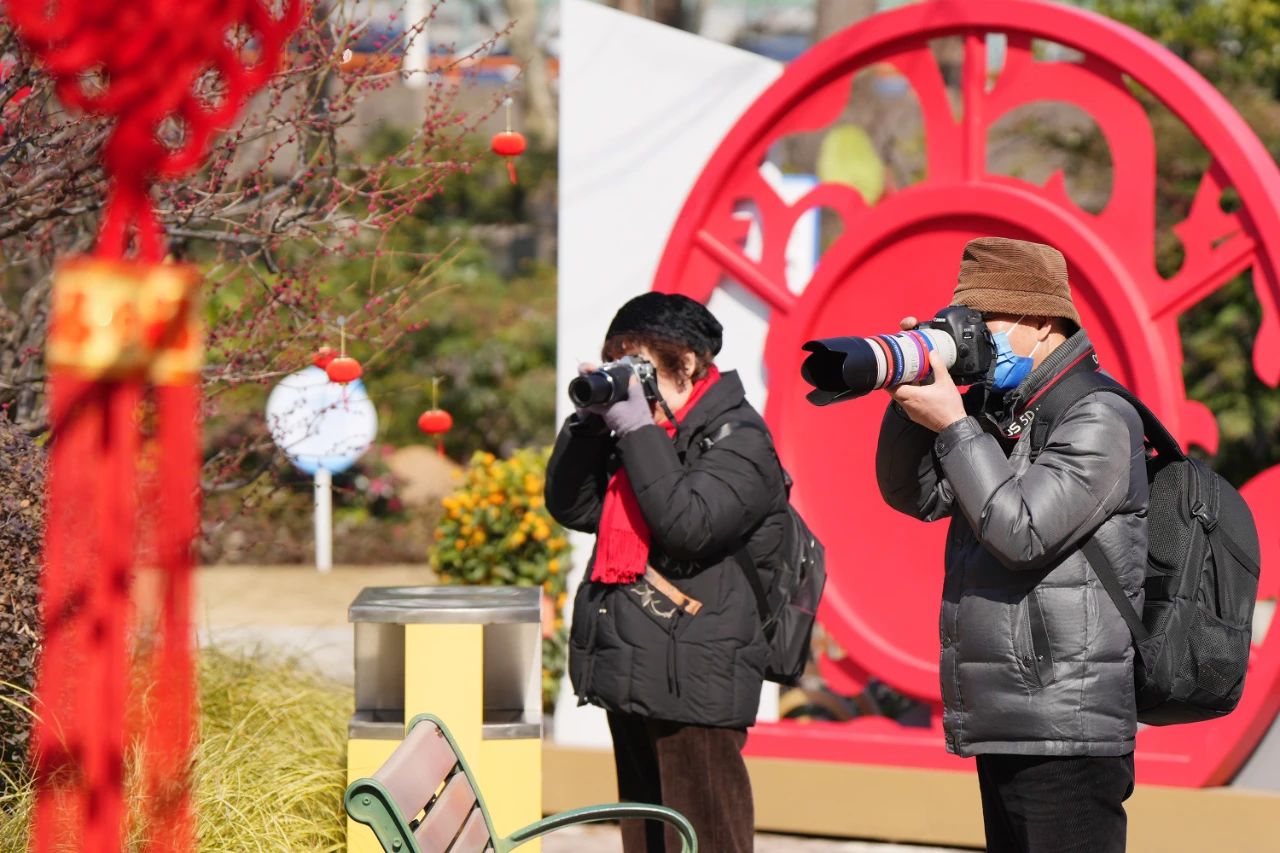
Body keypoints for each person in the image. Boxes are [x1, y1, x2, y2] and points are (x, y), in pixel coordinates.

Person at [875, 237, 1149, 853]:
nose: (974, 337)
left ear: (1042, 321)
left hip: (1067, 721)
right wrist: (909, 398)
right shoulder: (1004, 413)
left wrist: (953, 425)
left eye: (986, 322)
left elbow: (1022, 531)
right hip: (1011, 712)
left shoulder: (1098, 415)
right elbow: (913, 494)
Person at [545, 292, 788, 853]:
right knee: (648, 838)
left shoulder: (740, 440)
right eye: (620, 363)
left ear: (689, 365)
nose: (633, 383)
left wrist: (637, 433)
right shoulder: (646, 435)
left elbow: (688, 524)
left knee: (707, 834)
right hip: (633, 664)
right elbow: (573, 507)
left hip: (698, 674)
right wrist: (586, 428)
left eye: (644, 367)